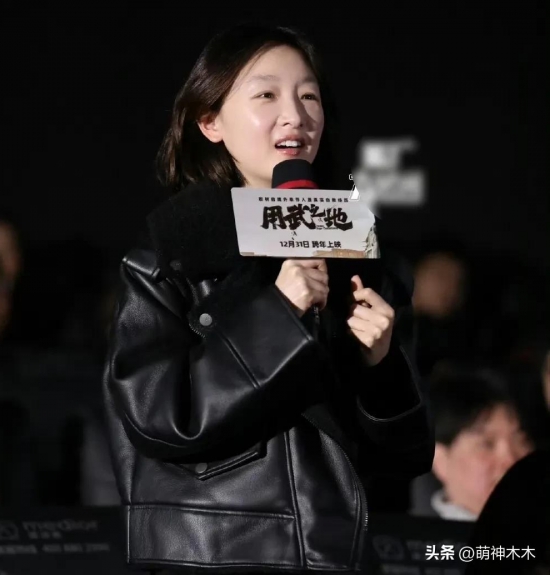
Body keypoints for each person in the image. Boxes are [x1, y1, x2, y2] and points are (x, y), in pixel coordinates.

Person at [103, 23, 433, 573]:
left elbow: (406, 458)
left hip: (338, 554)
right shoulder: (173, 253)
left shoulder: (360, 252)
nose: (294, 116)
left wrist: (381, 369)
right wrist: (276, 315)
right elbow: (156, 416)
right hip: (217, 555)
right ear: (210, 121)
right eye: (266, 95)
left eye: (309, 97)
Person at [422, 366, 533, 521]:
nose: (511, 460)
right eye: (487, 444)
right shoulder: (413, 533)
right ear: (440, 460)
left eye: (521, 441)